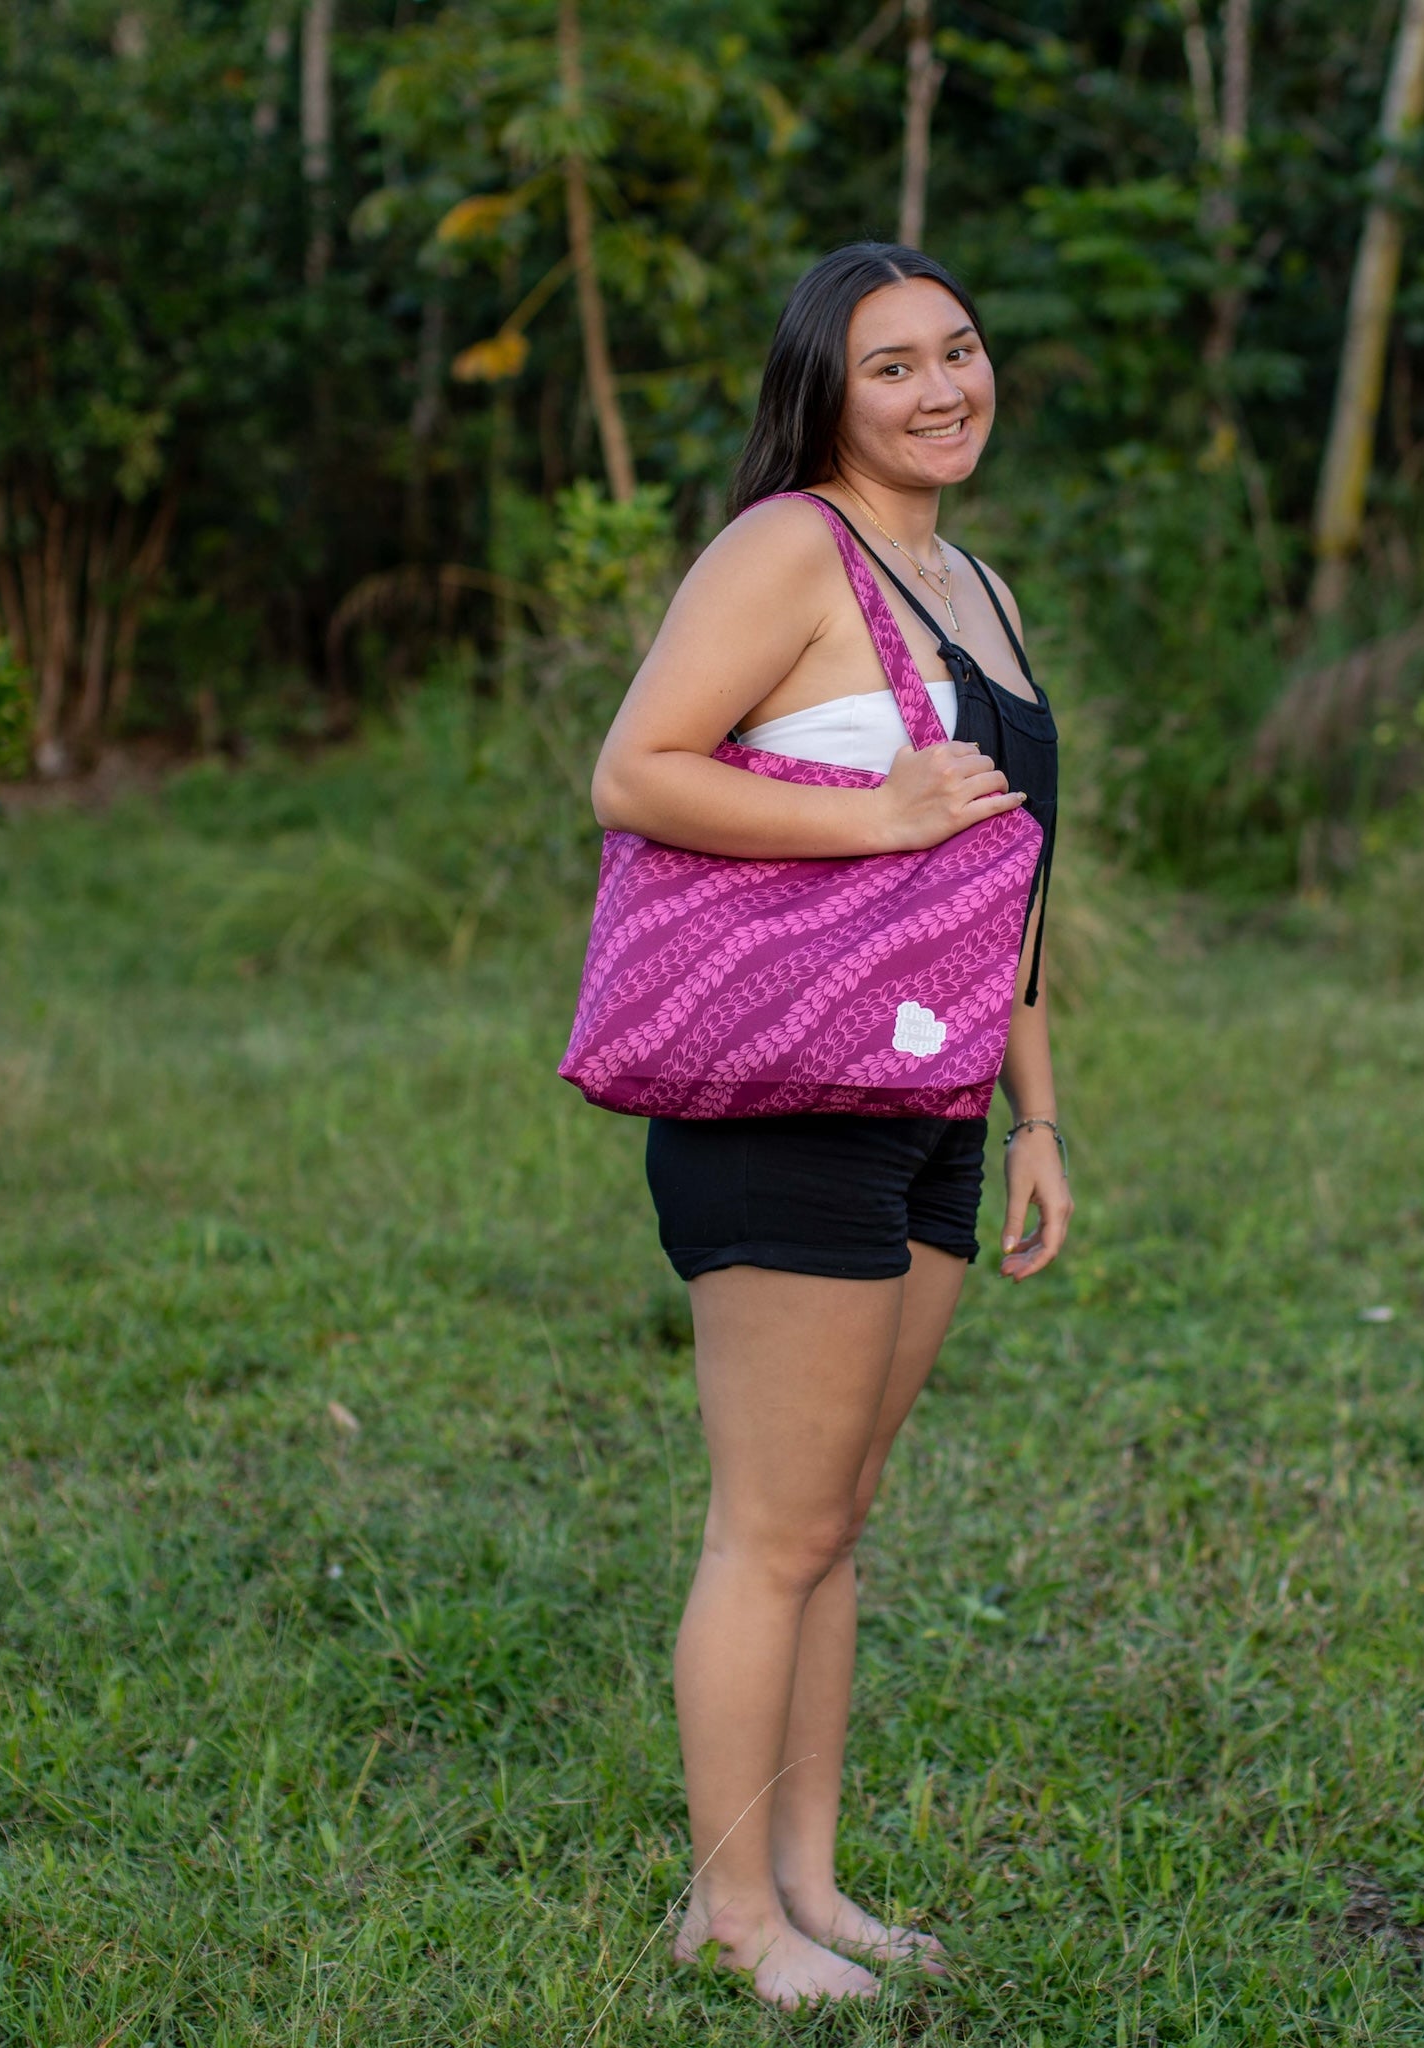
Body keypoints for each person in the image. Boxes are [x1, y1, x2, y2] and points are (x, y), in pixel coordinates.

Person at [589, 242, 1069, 2009]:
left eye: (961, 348)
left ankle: (808, 1885)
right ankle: (728, 1922)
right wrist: (872, 817)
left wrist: (1037, 1116)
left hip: (934, 1099)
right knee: (770, 1528)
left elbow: (1006, 878)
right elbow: (636, 770)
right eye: (894, 366)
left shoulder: (974, 582)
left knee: (839, 1513)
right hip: (784, 1097)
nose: (945, 387)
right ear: (825, 390)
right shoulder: (789, 546)